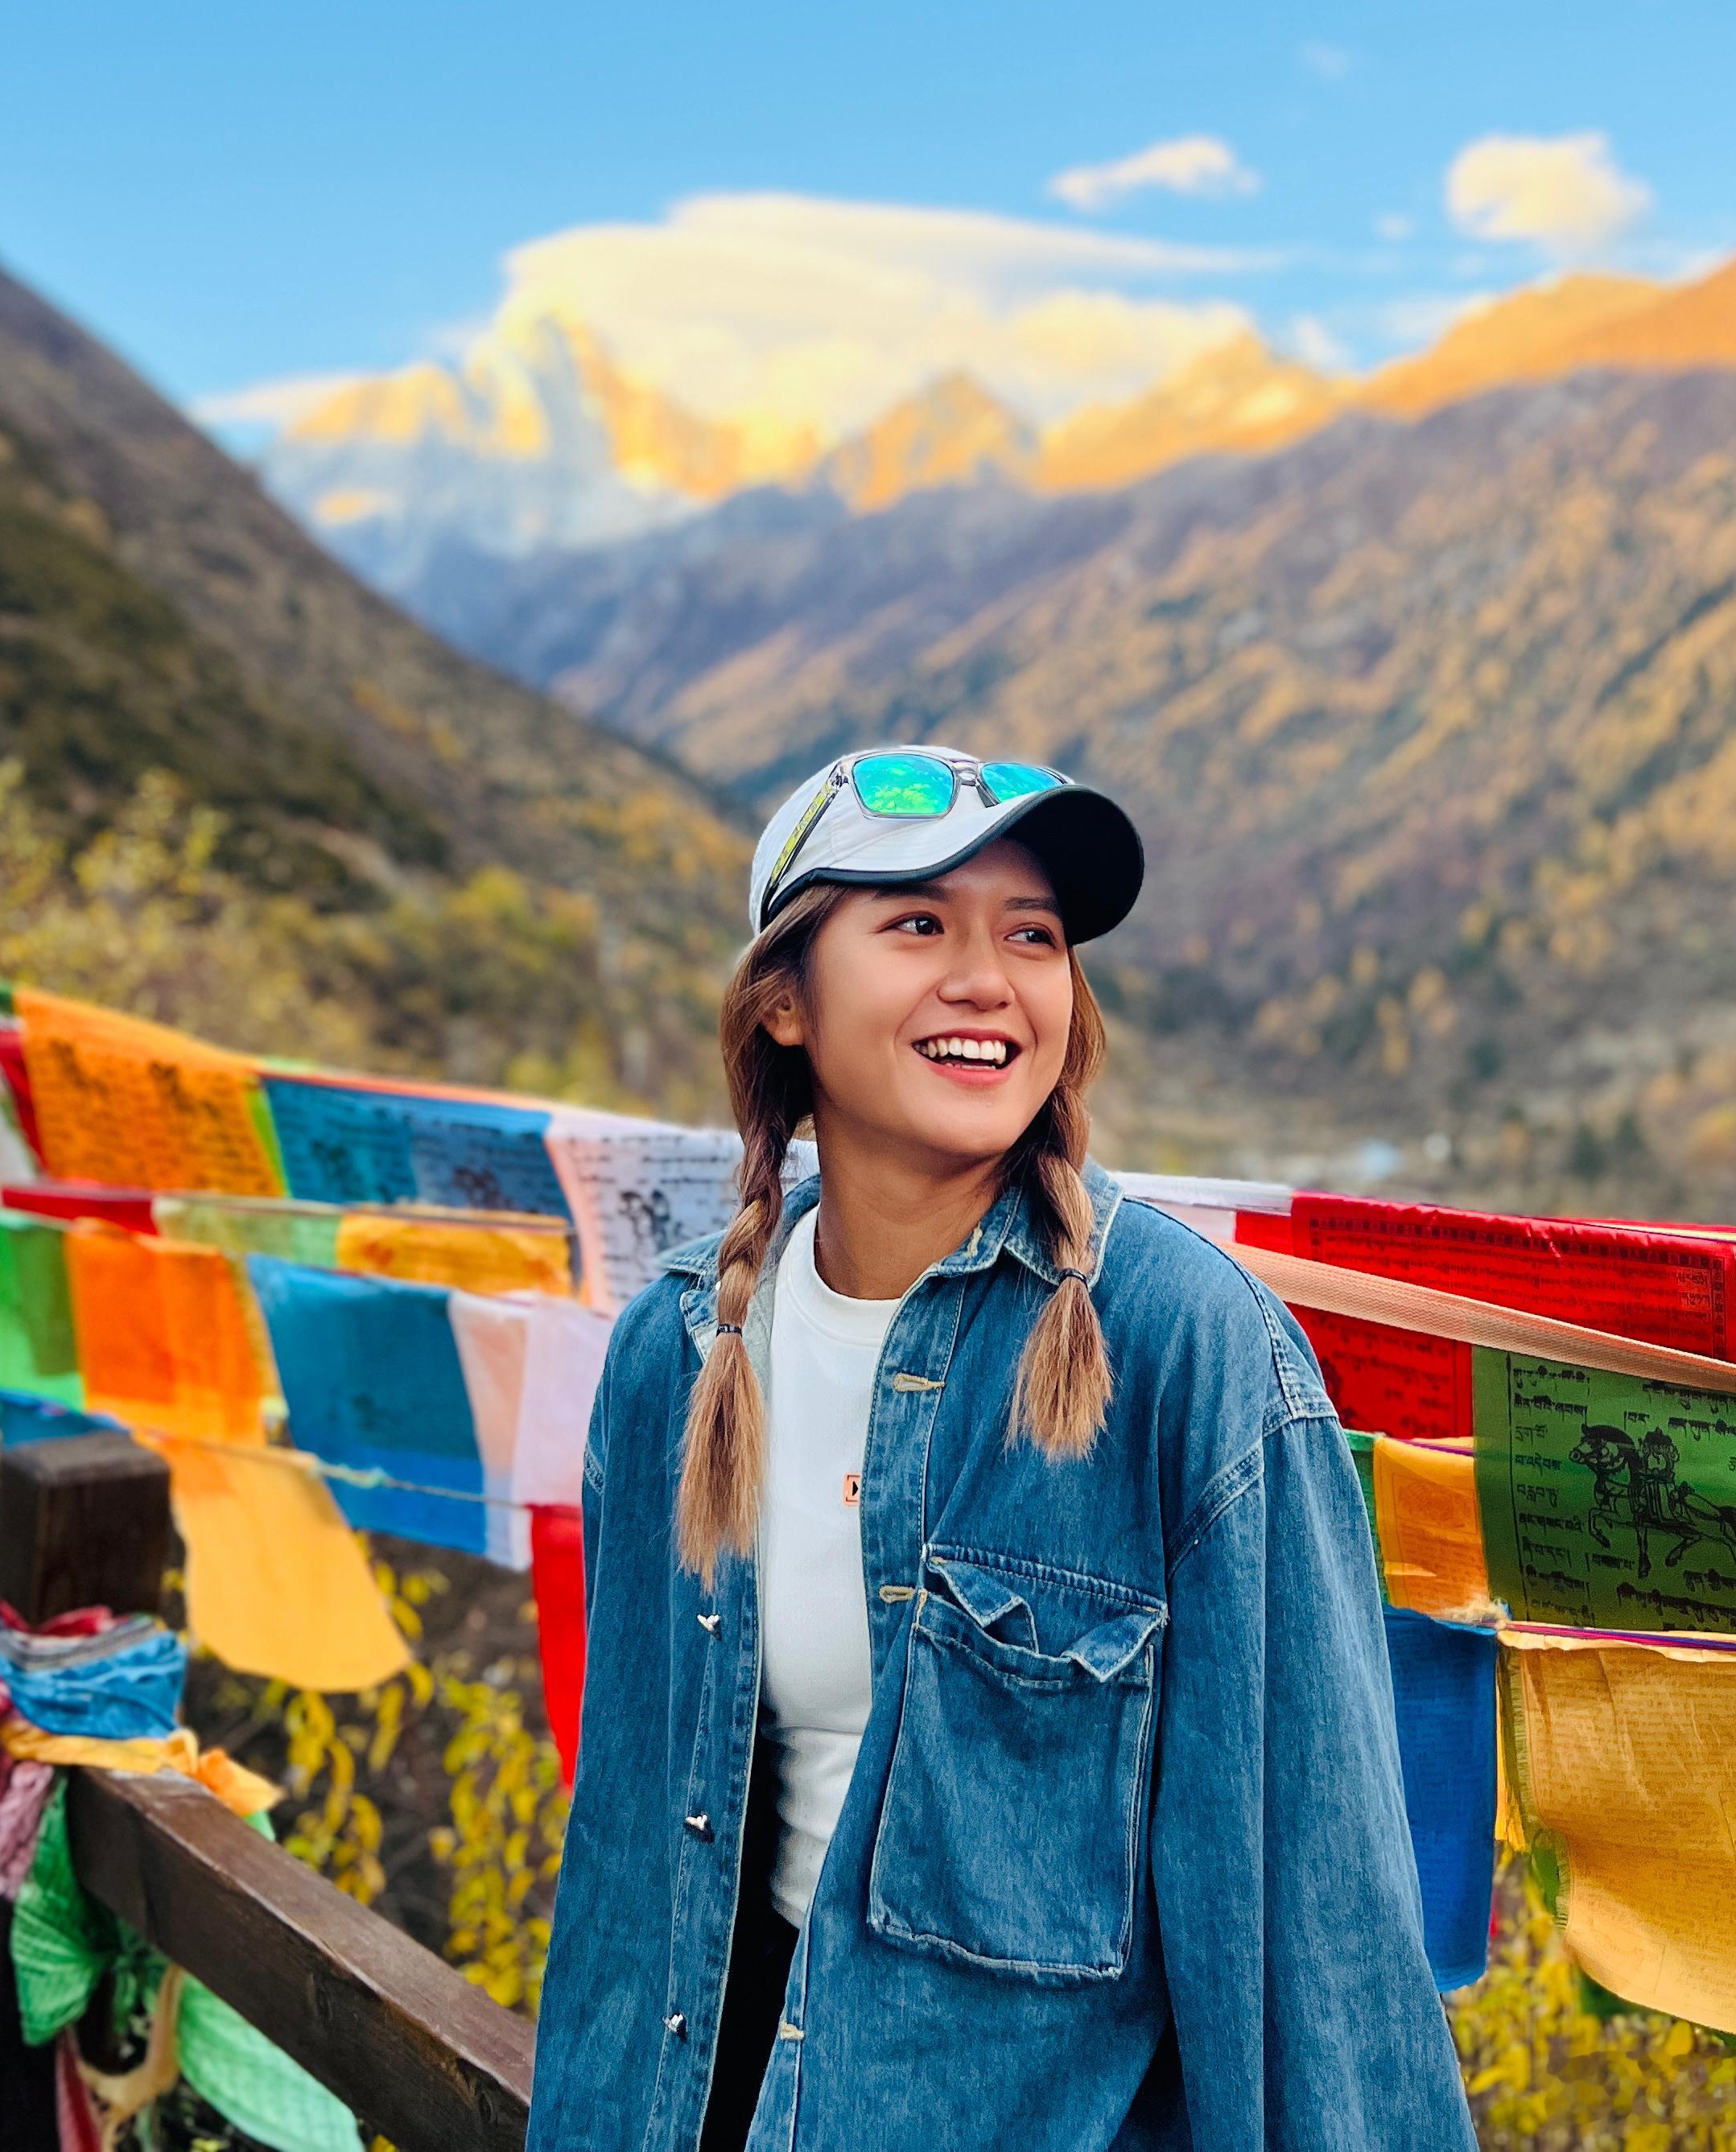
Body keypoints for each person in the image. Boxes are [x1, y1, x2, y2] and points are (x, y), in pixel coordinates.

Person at [530, 743, 1474, 2152]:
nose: (989, 980)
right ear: (785, 999)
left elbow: (1314, 1926)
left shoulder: (1181, 1349)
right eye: (919, 925)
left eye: (1032, 937)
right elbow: (625, 1874)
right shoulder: (676, 1358)